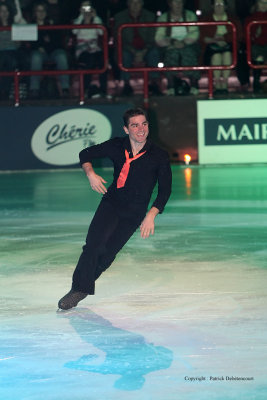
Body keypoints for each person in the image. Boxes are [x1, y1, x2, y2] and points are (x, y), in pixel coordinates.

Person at [58, 107, 172, 310]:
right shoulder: (117, 146)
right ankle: (78, 289)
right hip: (111, 203)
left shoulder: (159, 156)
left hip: (135, 212)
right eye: (135, 125)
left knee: (108, 254)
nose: (141, 129)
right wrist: (90, 173)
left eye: (144, 124)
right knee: (93, 245)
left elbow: (165, 191)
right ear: (126, 129)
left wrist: (151, 215)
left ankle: (84, 283)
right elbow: (85, 153)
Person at [114, 0, 162, 96]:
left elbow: (152, 38)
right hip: (128, 48)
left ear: (142, 4)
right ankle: (126, 85)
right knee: (123, 54)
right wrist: (134, 51)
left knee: (154, 53)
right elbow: (119, 39)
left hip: (146, 48)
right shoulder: (119, 17)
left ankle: (154, 83)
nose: (135, 5)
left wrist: (144, 51)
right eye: (132, 2)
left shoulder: (150, 16)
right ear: (128, 4)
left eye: (138, 2)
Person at [155, 0, 201, 96]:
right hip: (170, 45)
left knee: (189, 53)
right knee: (171, 54)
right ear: (170, 4)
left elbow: (195, 33)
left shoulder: (190, 15)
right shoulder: (163, 18)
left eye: (180, 2)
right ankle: (171, 85)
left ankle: (194, 84)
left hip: (188, 44)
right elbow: (158, 37)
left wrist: (184, 42)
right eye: (175, 2)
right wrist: (171, 42)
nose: (178, 5)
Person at [28, 1, 70, 99]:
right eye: (38, 11)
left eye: (43, 10)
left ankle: (65, 88)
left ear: (46, 12)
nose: (41, 13)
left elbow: (57, 42)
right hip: (38, 52)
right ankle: (34, 89)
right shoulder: (31, 25)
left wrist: (44, 43)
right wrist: (41, 45)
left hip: (54, 51)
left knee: (61, 56)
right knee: (36, 57)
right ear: (35, 12)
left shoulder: (53, 24)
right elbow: (32, 44)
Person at [200, 0, 242, 94]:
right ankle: (217, 83)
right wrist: (214, 40)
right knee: (216, 57)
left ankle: (225, 83)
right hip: (211, 48)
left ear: (226, 6)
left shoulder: (233, 19)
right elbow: (202, 37)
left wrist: (224, 38)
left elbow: (239, 35)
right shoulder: (206, 19)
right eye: (216, 4)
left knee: (227, 55)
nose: (219, 6)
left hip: (229, 46)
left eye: (221, 4)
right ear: (212, 6)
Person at [72, 0, 109, 99]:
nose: (86, 10)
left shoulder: (96, 19)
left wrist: (95, 16)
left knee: (103, 61)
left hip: (95, 48)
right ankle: (85, 90)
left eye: (88, 7)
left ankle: (103, 90)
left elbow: (101, 32)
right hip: (82, 50)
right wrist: (82, 16)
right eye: (84, 7)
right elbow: (74, 30)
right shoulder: (77, 20)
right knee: (88, 61)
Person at [245, 0, 267, 93]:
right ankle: (256, 83)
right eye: (262, 2)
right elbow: (249, 37)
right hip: (257, 46)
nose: (264, 5)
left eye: (266, 2)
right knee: (259, 55)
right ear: (257, 4)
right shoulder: (250, 19)